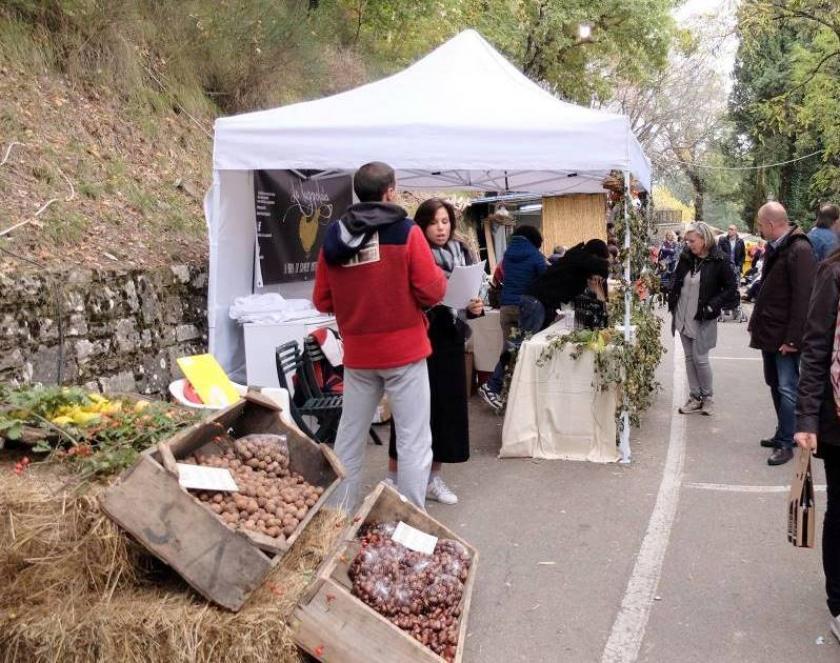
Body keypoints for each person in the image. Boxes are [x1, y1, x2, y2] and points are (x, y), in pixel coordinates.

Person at [313, 162, 446, 509]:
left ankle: (338, 519)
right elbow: (431, 291)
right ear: (390, 191)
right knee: (414, 441)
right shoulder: (405, 231)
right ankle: (411, 519)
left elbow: (321, 299)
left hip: (358, 356)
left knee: (348, 438)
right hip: (404, 354)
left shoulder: (334, 237)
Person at [385, 198, 483, 505]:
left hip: (450, 337)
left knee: (445, 410)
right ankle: (395, 477)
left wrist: (474, 306)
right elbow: (401, 296)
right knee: (412, 410)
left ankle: (432, 479)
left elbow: (471, 295)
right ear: (421, 225)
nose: (440, 229)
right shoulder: (413, 253)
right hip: (420, 337)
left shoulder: (463, 252)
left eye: (445, 222)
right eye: (433, 222)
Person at [794, 250, 840, 642]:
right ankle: (839, 604)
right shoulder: (833, 273)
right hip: (836, 414)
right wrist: (806, 418)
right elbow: (816, 347)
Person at [749, 201, 816, 466]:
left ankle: (788, 443)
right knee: (776, 384)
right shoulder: (779, 247)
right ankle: (783, 433)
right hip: (771, 331)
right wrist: (755, 321)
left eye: (761, 225)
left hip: (785, 336)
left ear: (772, 224)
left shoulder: (799, 249)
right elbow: (767, 289)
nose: (760, 229)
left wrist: (792, 339)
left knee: (788, 388)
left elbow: (804, 298)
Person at [668, 222, 738, 416]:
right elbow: (676, 278)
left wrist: (712, 306)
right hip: (682, 314)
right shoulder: (686, 257)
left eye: (692, 240)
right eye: (687, 240)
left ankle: (707, 398)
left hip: (703, 316)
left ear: (704, 239)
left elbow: (731, 288)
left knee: (700, 358)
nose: (688, 244)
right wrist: (671, 292)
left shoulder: (719, 260)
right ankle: (695, 396)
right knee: (689, 358)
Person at [478, 225, 546, 412]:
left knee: (509, 350)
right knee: (521, 351)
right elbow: (545, 277)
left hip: (506, 308)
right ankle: (498, 388)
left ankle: (504, 393)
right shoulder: (535, 255)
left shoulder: (507, 255)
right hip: (525, 308)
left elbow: (500, 276)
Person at [528, 239, 610, 330]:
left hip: (542, 299)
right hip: (538, 302)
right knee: (533, 336)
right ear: (595, 255)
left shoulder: (576, 256)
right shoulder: (580, 258)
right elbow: (604, 269)